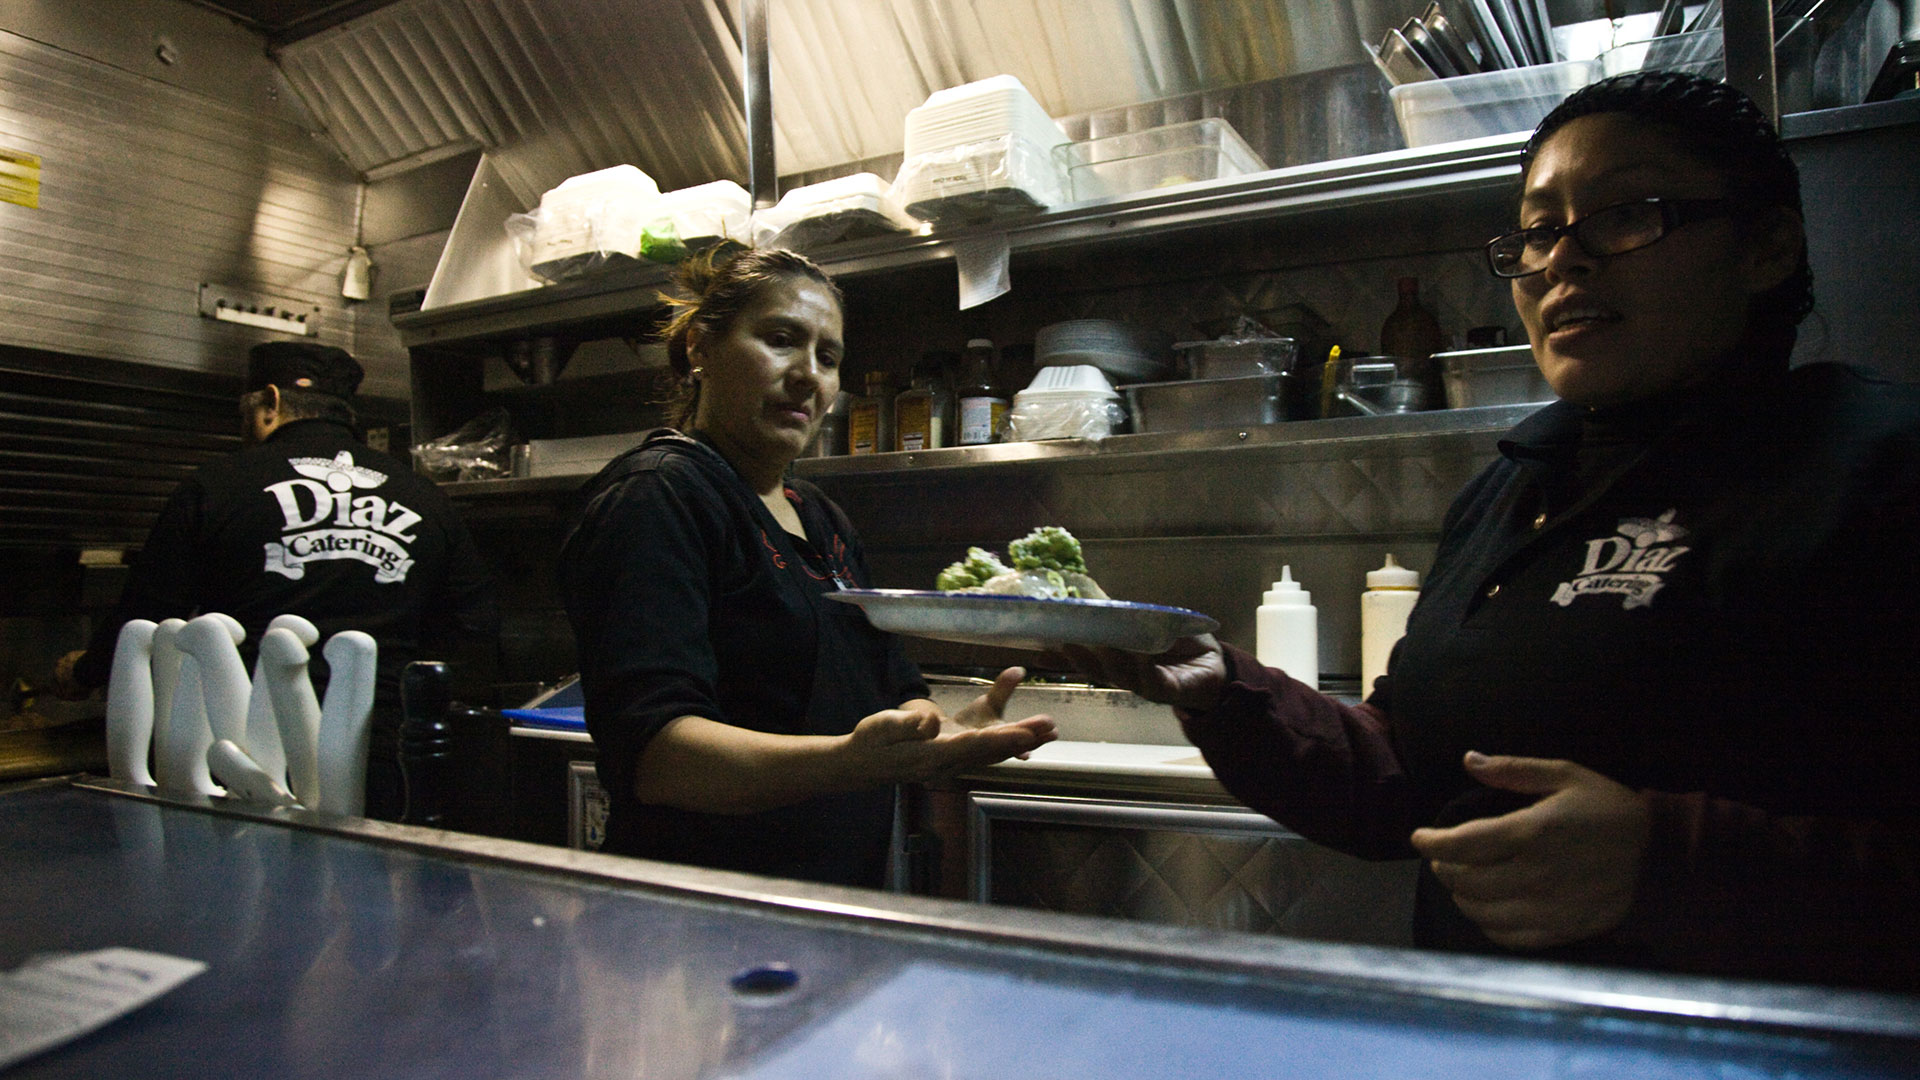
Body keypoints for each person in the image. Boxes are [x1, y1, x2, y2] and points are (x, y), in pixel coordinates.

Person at [1058, 72, 1920, 992]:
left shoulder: (1873, 468)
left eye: (1627, 213)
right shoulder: (1514, 489)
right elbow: (1406, 780)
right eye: (1541, 229)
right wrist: (1220, 686)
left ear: (1767, 246)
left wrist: (1669, 862)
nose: (1563, 260)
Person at [557, 247, 1055, 888]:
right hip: (700, 903)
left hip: (827, 894)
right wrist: (854, 763)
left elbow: (889, 676)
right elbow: (658, 757)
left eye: (828, 357)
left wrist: (933, 735)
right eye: (781, 340)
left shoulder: (819, 516)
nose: (809, 376)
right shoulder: (657, 498)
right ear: (699, 349)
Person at [58, 341, 499, 819]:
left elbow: (146, 616)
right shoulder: (427, 497)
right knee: (367, 887)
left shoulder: (216, 486)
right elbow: (473, 631)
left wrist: (83, 673)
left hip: (243, 757)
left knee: (252, 890)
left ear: (270, 402)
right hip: (380, 750)